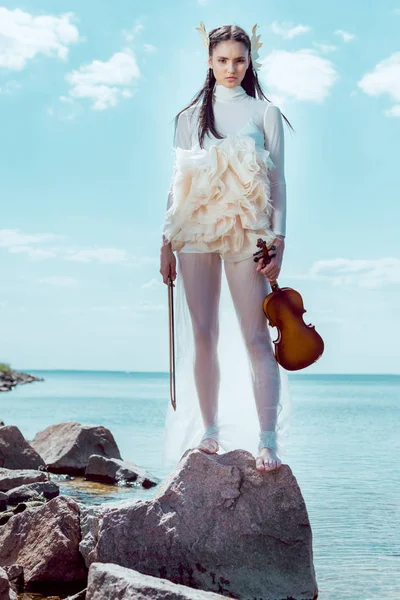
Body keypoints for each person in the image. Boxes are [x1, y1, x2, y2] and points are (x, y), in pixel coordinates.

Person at [159, 23, 294, 473]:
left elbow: (277, 183)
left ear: (250, 60)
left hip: (248, 230)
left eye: (239, 59)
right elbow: (177, 187)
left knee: (257, 337)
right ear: (209, 61)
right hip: (194, 229)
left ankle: (267, 440)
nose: (230, 68)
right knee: (203, 334)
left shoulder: (265, 113)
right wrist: (164, 243)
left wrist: (279, 241)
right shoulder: (187, 118)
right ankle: (210, 431)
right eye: (222, 60)